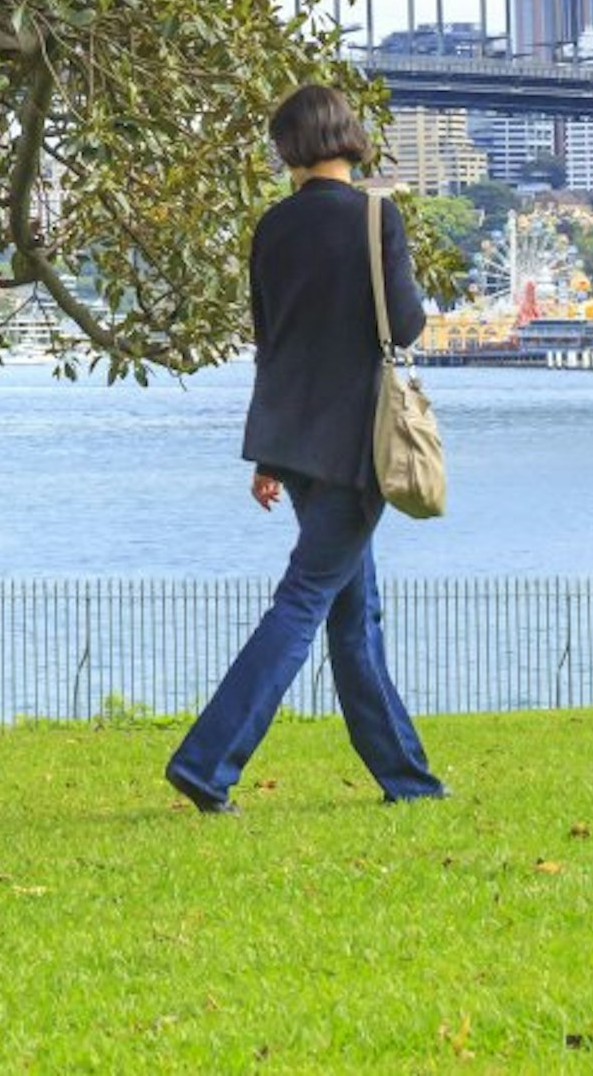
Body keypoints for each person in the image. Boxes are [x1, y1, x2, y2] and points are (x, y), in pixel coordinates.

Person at [165, 82, 447, 814]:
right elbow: (408, 327)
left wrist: (269, 455)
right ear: (350, 137)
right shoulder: (377, 218)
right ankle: (206, 762)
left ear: (289, 147)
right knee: (304, 602)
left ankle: (407, 779)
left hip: (292, 442)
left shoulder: (272, 228)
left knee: (356, 613)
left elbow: (272, 341)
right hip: (358, 447)